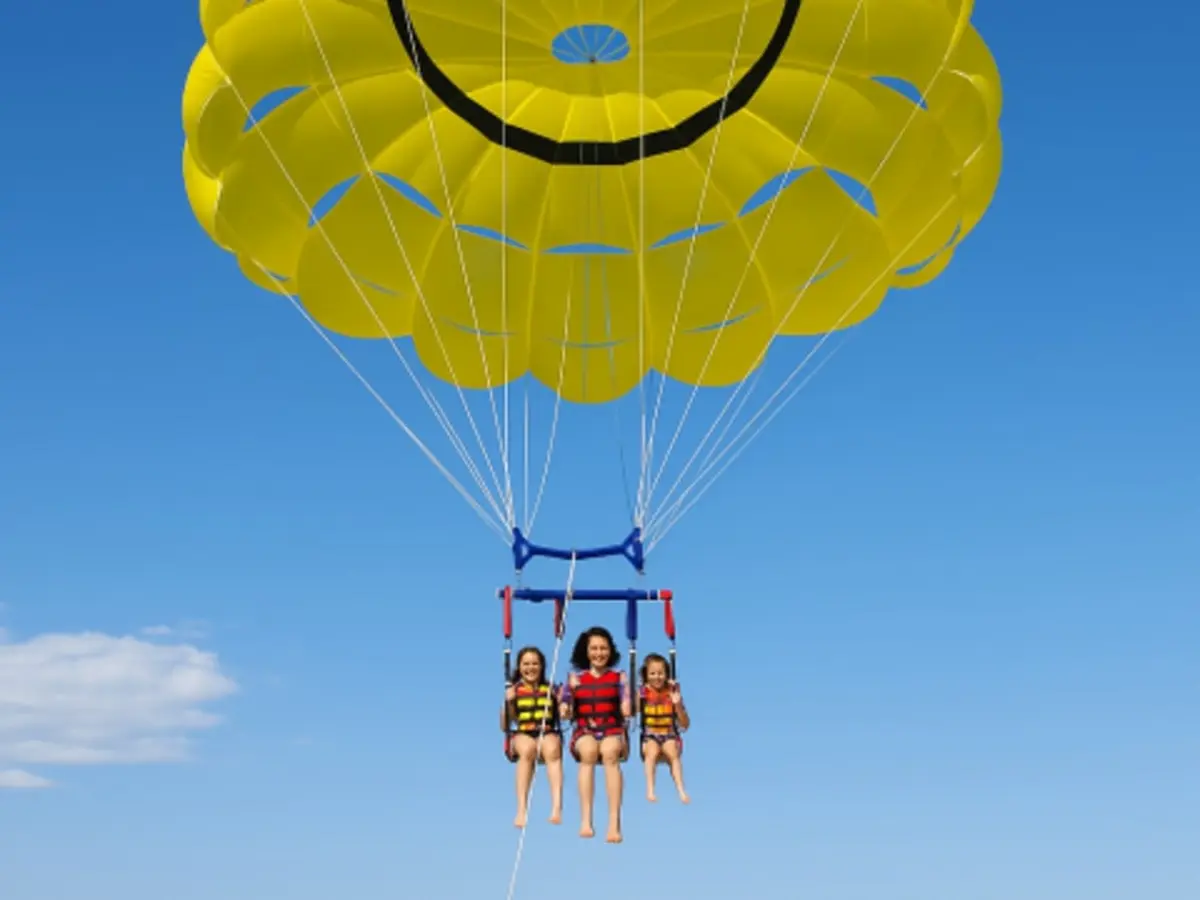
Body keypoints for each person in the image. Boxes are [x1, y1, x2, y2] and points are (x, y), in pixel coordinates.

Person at [560, 626, 630, 842]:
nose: (599, 653)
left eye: (603, 648)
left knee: (609, 753)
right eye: (594, 649)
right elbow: (565, 714)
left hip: (612, 728)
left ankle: (614, 823)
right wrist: (570, 692)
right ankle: (586, 820)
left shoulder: (619, 677)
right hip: (585, 730)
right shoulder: (574, 679)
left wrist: (627, 698)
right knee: (589, 752)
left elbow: (627, 708)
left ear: (610, 651)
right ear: (586, 651)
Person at [501, 646, 564, 828]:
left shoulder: (551, 689)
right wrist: (508, 702)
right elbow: (505, 724)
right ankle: (521, 809)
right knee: (527, 750)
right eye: (526, 664)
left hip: (546, 732)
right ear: (519, 667)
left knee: (553, 748)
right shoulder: (515, 691)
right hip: (523, 734)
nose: (531, 668)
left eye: (535, 663)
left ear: (542, 666)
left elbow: (565, 715)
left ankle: (556, 807)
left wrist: (563, 704)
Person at [639, 653, 690, 804]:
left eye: (661, 673)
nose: (657, 677)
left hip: (668, 734)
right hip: (650, 735)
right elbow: (630, 712)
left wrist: (677, 704)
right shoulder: (643, 693)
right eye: (653, 673)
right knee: (652, 752)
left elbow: (685, 724)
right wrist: (636, 698)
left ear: (667, 675)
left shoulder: (672, 693)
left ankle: (681, 790)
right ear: (646, 676)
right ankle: (650, 790)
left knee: (672, 753)